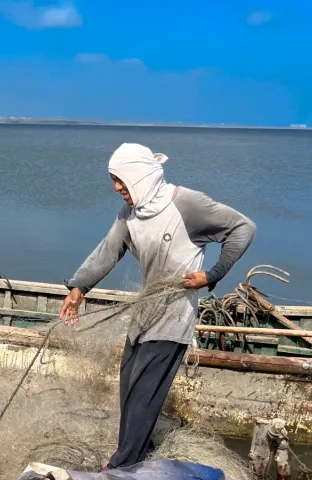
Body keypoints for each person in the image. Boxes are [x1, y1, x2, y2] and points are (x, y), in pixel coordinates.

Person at [58, 143, 256, 470]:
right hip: (143, 319)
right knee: (129, 393)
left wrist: (212, 275)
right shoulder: (131, 213)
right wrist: (78, 289)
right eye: (114, 180)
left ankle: (120, 468)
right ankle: (137, 462)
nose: (116, 188)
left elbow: (242, 229)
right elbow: (107, 251)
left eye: (120, 180)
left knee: (141, 401)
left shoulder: (187, 205)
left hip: (172, 320)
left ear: (138, 176)